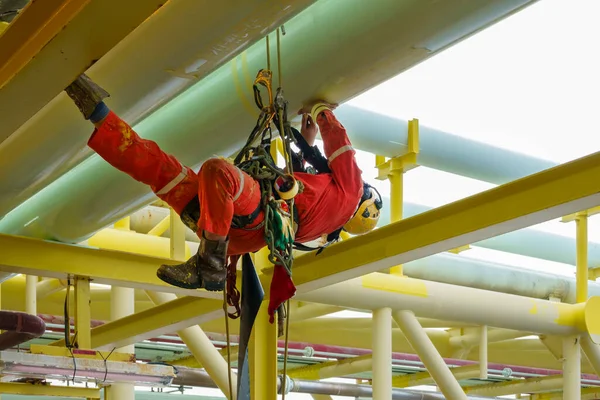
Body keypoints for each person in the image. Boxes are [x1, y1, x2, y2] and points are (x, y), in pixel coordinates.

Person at [63, 73, 382, 292]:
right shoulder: (323, 222)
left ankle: (210, 262)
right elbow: (298, 186)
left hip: (250, 211)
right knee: (158, 167)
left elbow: (341, 150)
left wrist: (322, 112)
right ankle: (95, 109)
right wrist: (307, 143)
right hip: (227, 224)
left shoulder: (351, 192)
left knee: (219, 170)